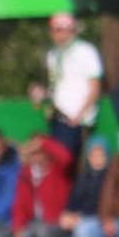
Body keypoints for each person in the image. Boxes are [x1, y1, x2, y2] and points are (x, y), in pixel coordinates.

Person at [29, 12, 102, 161]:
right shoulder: (53, 55)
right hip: (57, 119)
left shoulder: (86, 51)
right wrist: (42, 95)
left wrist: (79, 116)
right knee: (57, 165)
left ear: (73, 31)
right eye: (57, 30)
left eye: (66, 30)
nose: (62, 35)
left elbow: (95, 87)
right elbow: (57, 86)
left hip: (76, 121)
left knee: (67, 163)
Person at [12, 134, 74, 237]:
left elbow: (66, 157)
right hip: (34, 223)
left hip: (58, 222)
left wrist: (43, 142)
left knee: (43, 232)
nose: (37, 157)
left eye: (40, 152)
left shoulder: (58, 170)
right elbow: (19, 204)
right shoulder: (26, 174)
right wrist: (18, 228)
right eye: (34, 153)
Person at [65, 137, 112, 237]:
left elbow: (107, 203)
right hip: (85, 218)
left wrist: (79, 216)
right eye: (93, 155)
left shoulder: (111, 177)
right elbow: (74, 200)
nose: (96, 159)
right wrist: (69, 214)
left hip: (104, 219)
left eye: (100, 155)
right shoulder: (83, 177)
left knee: (82, 231)